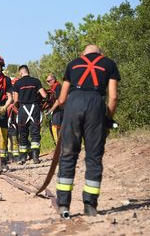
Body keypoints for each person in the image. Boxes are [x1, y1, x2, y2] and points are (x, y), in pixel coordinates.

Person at [56, 44, 120, 217]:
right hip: (96, 105)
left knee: (68, 155)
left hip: (73, 104)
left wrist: (69, 110)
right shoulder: (109, 63)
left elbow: (62, 99)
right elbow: (113, 97)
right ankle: (90, 206)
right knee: (93, 157)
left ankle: (63, 205)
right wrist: (107, 119)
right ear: (101, 54)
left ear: (82, 54)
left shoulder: (73, 64)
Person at [13, 65, 47, 164]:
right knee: (35, 133)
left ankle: (23, 158)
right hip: (34, 108)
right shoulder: (36, 81)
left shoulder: (18, 83)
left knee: (23, 134)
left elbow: (15, 100)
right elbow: (44, 95)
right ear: (28, 71)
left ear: (21, 72)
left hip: (23, 110)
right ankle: (35, 157)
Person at [46, 74, 63, 144]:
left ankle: (58, 146)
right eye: (46, 81)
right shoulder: (53, 87)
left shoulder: (57, 87)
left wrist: (50, 111)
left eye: (48, 81)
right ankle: (58, 145)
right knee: (55, 127)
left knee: (55, 127)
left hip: (59, 110)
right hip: (56, 110)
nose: (47, 83)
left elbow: (58, 101)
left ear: (53, 80)